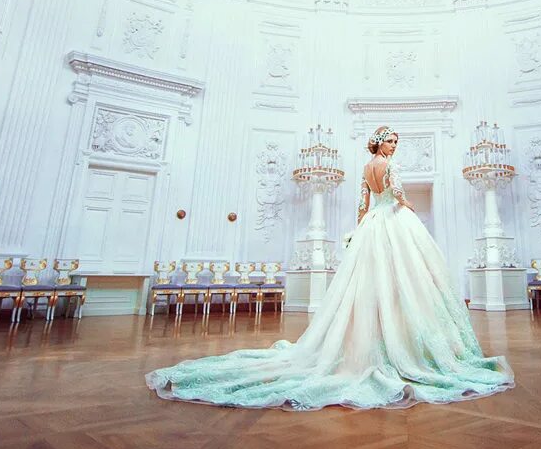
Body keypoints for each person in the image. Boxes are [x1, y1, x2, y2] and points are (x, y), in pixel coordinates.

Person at [145, 125, 514, 410]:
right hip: (394, 220)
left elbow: (362, 203)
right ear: (380, 143)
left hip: (371, 224)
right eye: (391, 142)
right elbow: (398, 195)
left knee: (371, 283)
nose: (394, 147)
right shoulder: (389, 167)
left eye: (396, 143)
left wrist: (360, 228)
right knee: (405, 279)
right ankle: (401, 345)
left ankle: (382, 336)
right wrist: (408, 206)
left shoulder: (366, 167)